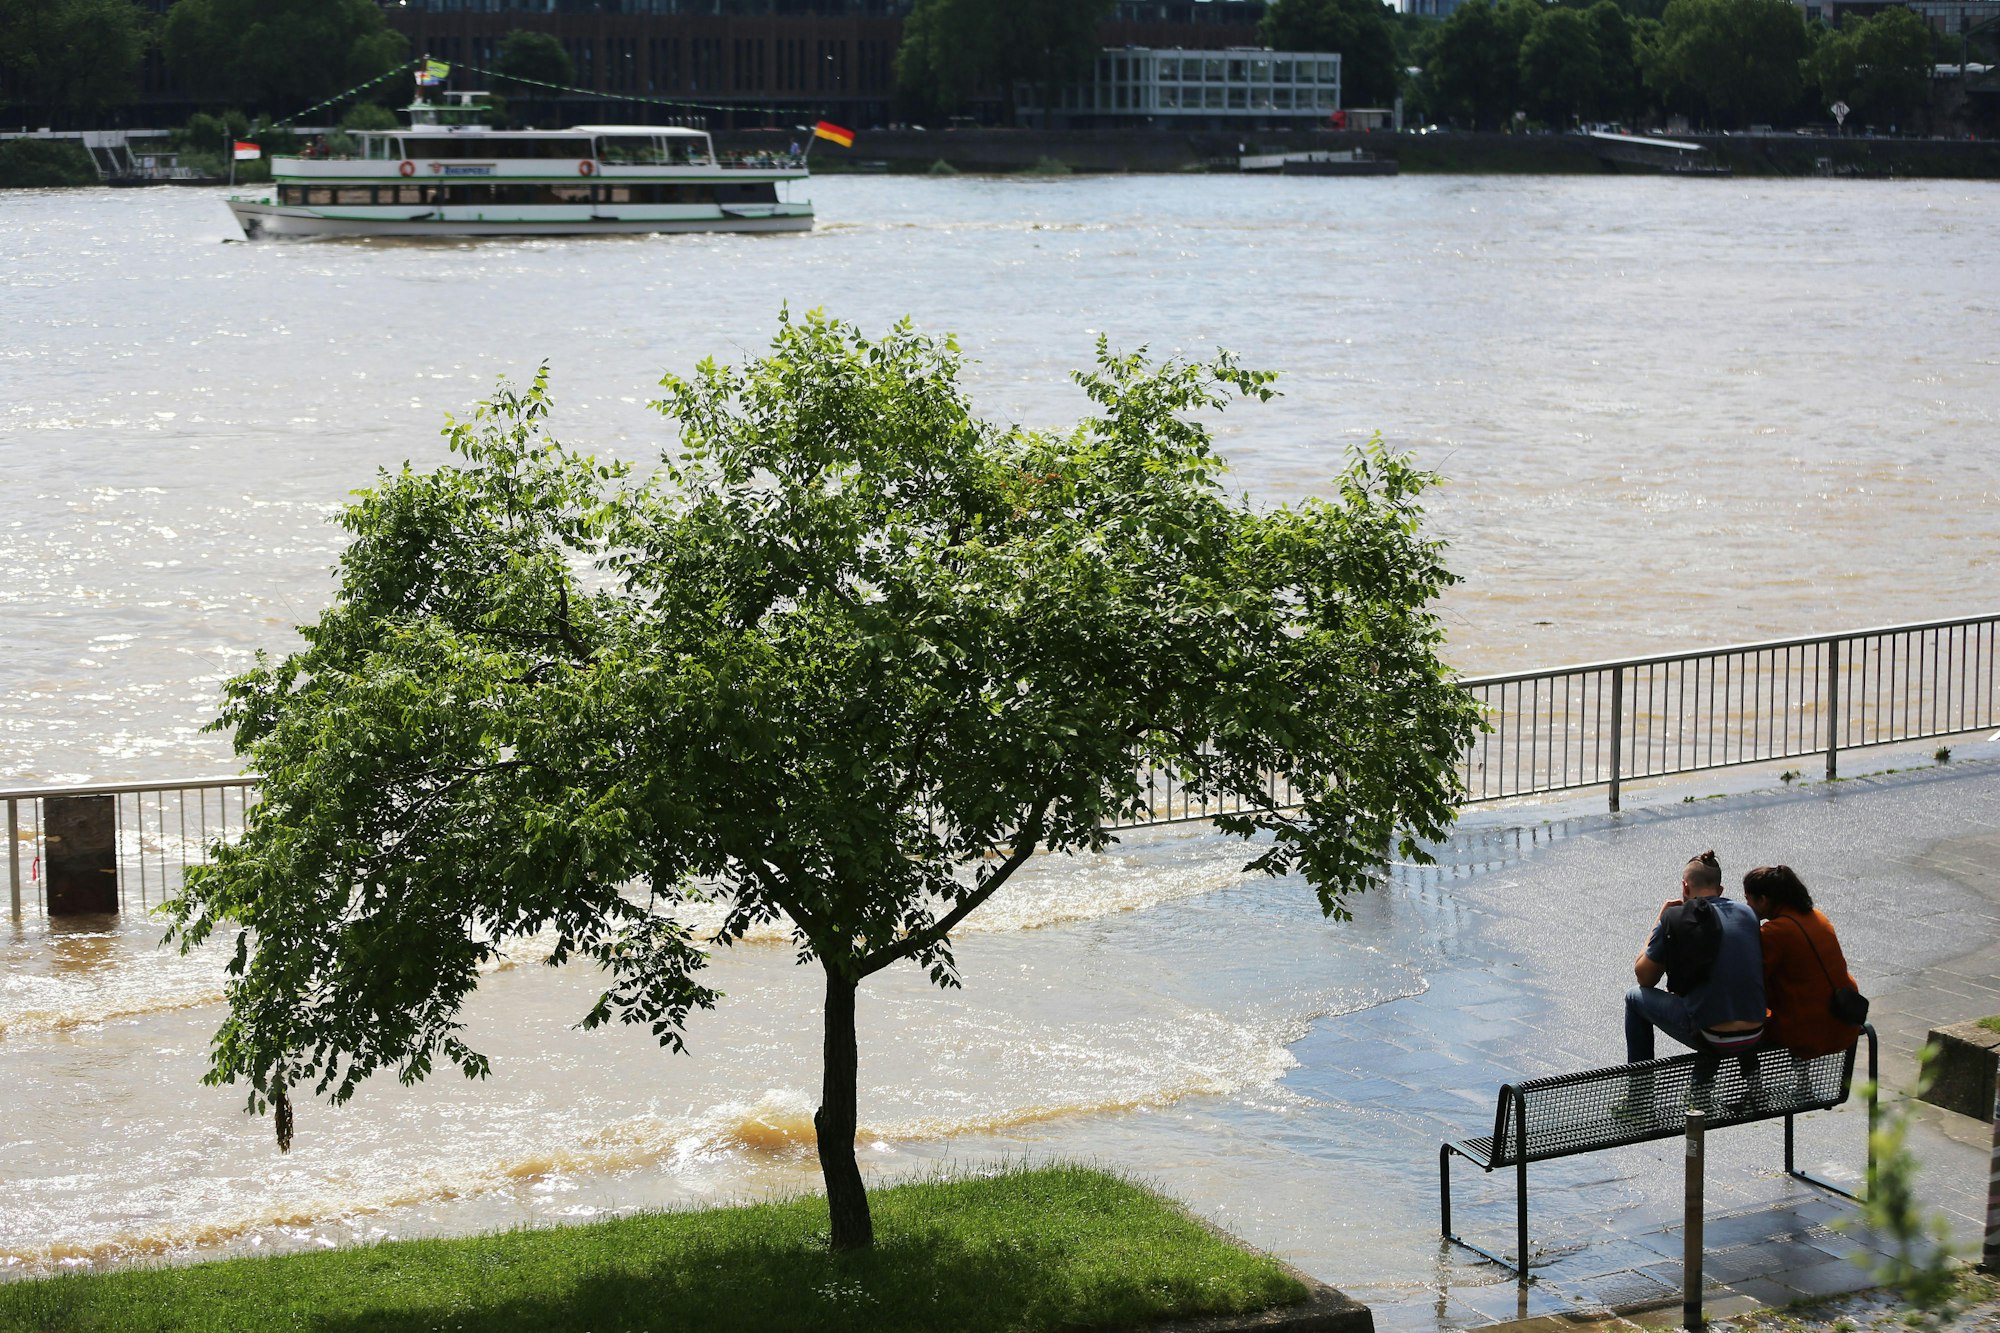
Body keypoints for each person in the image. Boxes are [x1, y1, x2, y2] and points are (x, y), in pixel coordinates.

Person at [1625, 850, 1765, 1064]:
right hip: (1756, 1032)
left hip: (1714, 1038)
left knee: (1634, 997)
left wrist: (1659, 919)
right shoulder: (1748, 914)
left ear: (1685, 887)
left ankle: (1639, 1089)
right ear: (1720, 890)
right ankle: (1701, 1090)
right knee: (1710, 995)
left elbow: (1645, 977)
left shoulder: (1675, 917)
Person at [1743, 865, 1861, 1059]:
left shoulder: (1774, 933)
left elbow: (1753, 981)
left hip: (1808, 1033)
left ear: (1763, 900)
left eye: (1748, 900)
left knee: (1740, 1029)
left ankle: (1753, 1085)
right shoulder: (1818, 917)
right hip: (1844, 1025)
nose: (1747, 906)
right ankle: (1802, 1078)